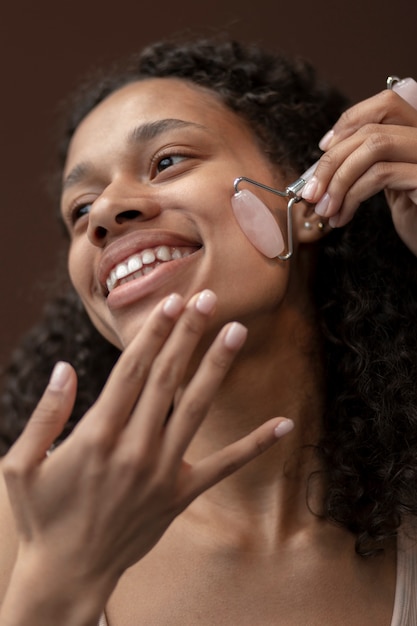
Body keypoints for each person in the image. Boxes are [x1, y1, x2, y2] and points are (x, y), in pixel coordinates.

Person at [0, 36, 417, 626]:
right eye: (79, 209)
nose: (104, 214)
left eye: (167, 161)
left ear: (313, 201)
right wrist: (53, 589)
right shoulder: (21, 523)